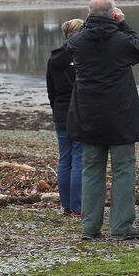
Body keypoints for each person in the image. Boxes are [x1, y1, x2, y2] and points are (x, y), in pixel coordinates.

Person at [66, 0, 139, 240]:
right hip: (121, 116)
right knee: (124, 170)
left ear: (89, 15)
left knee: (91, 171)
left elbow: (71, 42)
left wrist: (91, 22)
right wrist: (123, 23)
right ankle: (121, 227)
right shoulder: (122, 41)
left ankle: (90, 228)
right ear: (113, 14)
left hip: (89, 116)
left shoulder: (77, 42)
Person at [46, 18, 84, 217]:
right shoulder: (84, 56)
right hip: (78, 112)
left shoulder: (54, 58)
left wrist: (55, 108)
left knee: (65, 159)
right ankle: (78, 206)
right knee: (79, 158)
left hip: (60, 112)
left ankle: (66, 205)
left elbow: (50, 89)